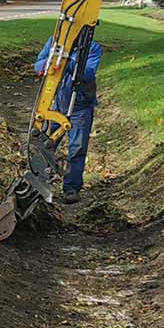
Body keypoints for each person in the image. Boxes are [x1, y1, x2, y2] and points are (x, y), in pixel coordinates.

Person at [35, 33, 103, 203]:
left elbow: (88, 73)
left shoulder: (93, 48)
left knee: (77, 147)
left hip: (80, 106)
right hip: (56, 104)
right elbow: (38, 65)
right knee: (45, 144)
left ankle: (71, 188)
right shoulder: (54, 42)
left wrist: (67, 62)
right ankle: (38, 182)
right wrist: (49, 62)